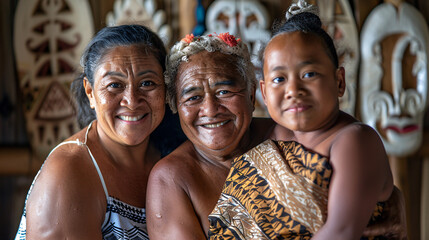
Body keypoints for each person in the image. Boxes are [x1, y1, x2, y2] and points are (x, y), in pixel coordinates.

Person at [208, 1, 408, 239]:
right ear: (263, 92)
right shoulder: (270, 137)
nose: (293, 89)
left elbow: (340, 232)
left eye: (309, 74)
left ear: (339, 82)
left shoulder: (355, 141)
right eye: (279, 79)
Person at [15, 24, 185, 240]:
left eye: (147, 83)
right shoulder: (69, 173)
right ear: (90, 92)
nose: (132, 101)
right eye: (114, 85)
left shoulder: (170, 151)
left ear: (166, 89)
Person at [146, 32, 278, 239]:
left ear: (252, 95)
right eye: (193, 97)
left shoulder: (285, 140)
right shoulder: (171, 178)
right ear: (175, 107)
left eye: (224, 92)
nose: (210, 109)